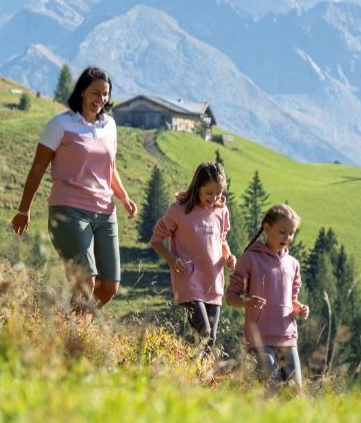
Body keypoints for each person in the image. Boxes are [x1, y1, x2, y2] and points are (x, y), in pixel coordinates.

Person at [12, 66, 137, 312]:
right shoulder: (60, 125)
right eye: (95, 93)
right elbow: (37, 169)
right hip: (69, 209)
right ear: (82, 92)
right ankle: (74, 329)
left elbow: (110, 168)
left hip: (105, 211)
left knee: (109, 287)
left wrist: (124, 197)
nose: (100, 99)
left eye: (105, 94)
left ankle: (68, 321)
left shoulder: (110, 126)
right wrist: (23, 210)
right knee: (85, 282)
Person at [149, 162, 235, 347]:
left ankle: (189, 364)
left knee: (210, 340)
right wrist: (172, 259)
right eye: (209, 193)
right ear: (197, 187)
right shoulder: (179, 211)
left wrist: (228, 256)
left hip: (213, 282)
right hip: (188, 280)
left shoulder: (221, 211)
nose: (214, 198)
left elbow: (222, 240)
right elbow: (156, 240)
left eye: (218, 193)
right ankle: (183, 359)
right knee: (204, 331)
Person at [226, 203, 309, 388]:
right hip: (259, 338)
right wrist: (246, 302)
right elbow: (230, 297)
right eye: (282, 232)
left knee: (295, 390)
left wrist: (300, 309)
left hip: (287, 336)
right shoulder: (250, 259)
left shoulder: (293, 264)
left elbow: (292, 300)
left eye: (291, 233)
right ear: (267, 228)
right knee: (272, 388)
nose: (287, 238)